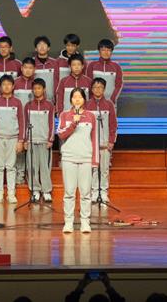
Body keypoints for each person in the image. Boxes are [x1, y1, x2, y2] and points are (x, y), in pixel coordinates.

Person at [57, 87, 99, 233]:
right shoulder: (64, 115)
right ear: (70, 100)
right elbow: (61, 134)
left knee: (85, 193)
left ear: (84, 100)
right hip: (69, 157)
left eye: (80, 97)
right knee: (69, 192)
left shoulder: (91, 116)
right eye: (74, 97)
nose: (77, 100)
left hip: (86, 158)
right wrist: (73, 123)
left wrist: (95, 160)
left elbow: (94, 139)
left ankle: (85, 222)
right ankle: (68, 222)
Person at [0, 75, 26, 203]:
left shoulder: (17, 102)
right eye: (4, 84)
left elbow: (21, 121)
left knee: (11, 166)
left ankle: (11, 194)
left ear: (13, 86)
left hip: (13, 138)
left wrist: (20, 140)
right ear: (0, 86)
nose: (6, 86)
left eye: (9, 84)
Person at [86, 78, 117, 203]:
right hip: (91, 144)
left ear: (104, 89)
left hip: (105, 144)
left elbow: (113, 124)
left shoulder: (109, 105)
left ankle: (103, 192)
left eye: (100, 87)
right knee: (93, 169)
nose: (97, 90)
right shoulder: (87, 105)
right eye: (95, 87)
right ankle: (94, 192)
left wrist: (111, 141)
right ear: (91, 89)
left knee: (104, 170)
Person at [25, 78, 56, 202]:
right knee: (32, 166)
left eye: (39, 88)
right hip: (31, 140)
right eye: (35, 88)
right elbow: (25, 123)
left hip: (44, 141)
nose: (37, 90)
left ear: (44, 89)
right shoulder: (28, 105)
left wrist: (50, 139)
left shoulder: (49, 105)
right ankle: (35, 190)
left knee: (44, 167)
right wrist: (25, 140)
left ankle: (46, 191)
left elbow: (52, 123)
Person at [12, 58, 37, 184]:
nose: (28, 70)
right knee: (19, 148)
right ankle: (18, 175)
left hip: (33, 121)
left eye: (30, 68)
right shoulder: (14, 83)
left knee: (31, 148)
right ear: (21, 68)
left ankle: (30, 175)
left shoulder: (37, 84)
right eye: (25, 67)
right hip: (16, 120)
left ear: (34, 69)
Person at [86, 39, 123, 105]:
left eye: (108, 50)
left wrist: (112, 100)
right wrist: (92, 99)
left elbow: (118, 85)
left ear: (112, 51)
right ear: (99, 51)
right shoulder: (92, 65)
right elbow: (89, 84)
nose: (106, 52)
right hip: (94, 102)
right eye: (103, 50)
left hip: (110, 103)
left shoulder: (116, 67)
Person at [32, 36, 60, 102]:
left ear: (48, 48)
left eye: (44, 44)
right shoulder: (31, 63)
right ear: (35, 48)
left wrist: (56, 99)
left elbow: (57, 82)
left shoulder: (55, 63)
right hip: (34, 101)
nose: (42, 47)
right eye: (39, 45)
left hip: (51, 101)